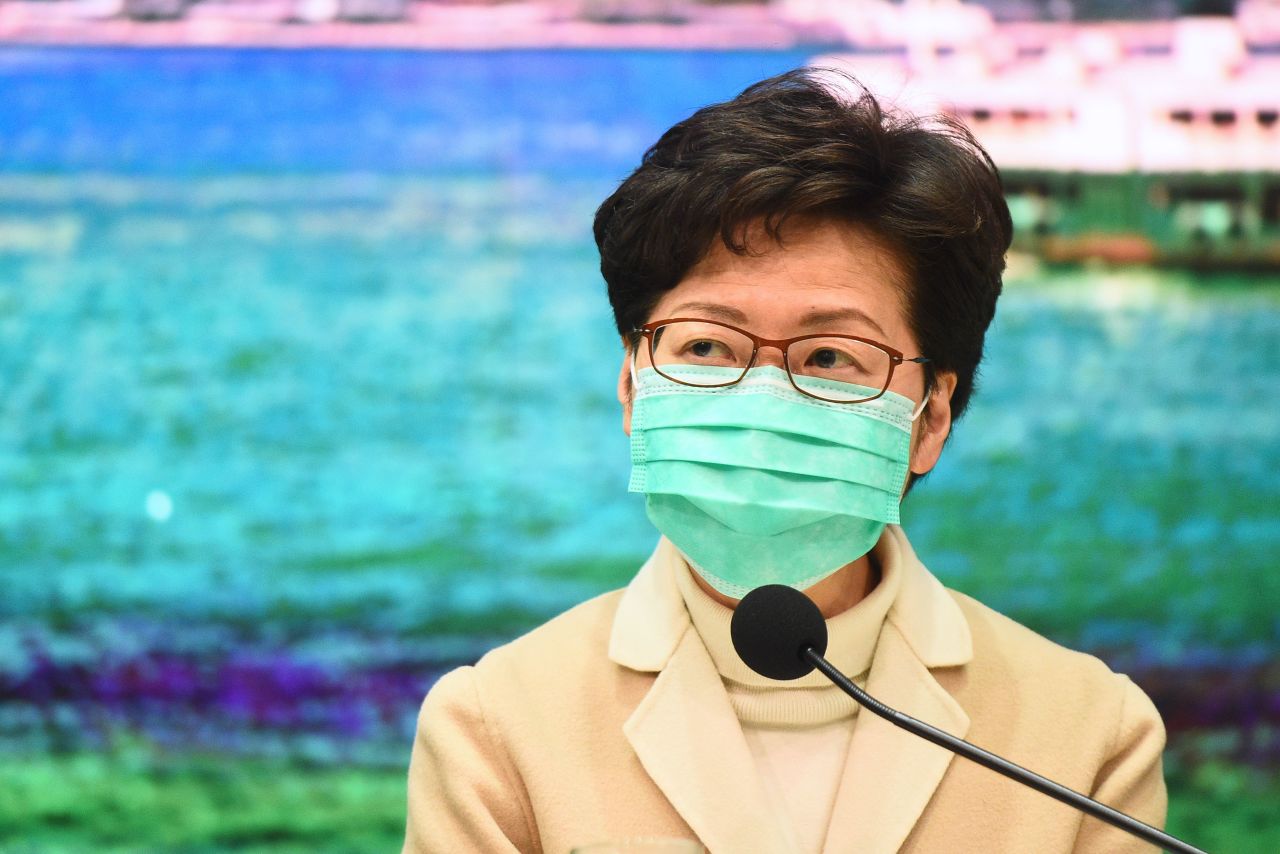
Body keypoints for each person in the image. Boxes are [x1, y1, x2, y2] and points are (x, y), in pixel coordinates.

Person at [402, 68, 1167, 853]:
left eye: (831, 354)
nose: (764, 398)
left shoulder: (1086, 740)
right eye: (705, 345)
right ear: (634, 387)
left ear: (929, 418)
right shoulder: (496, 729)